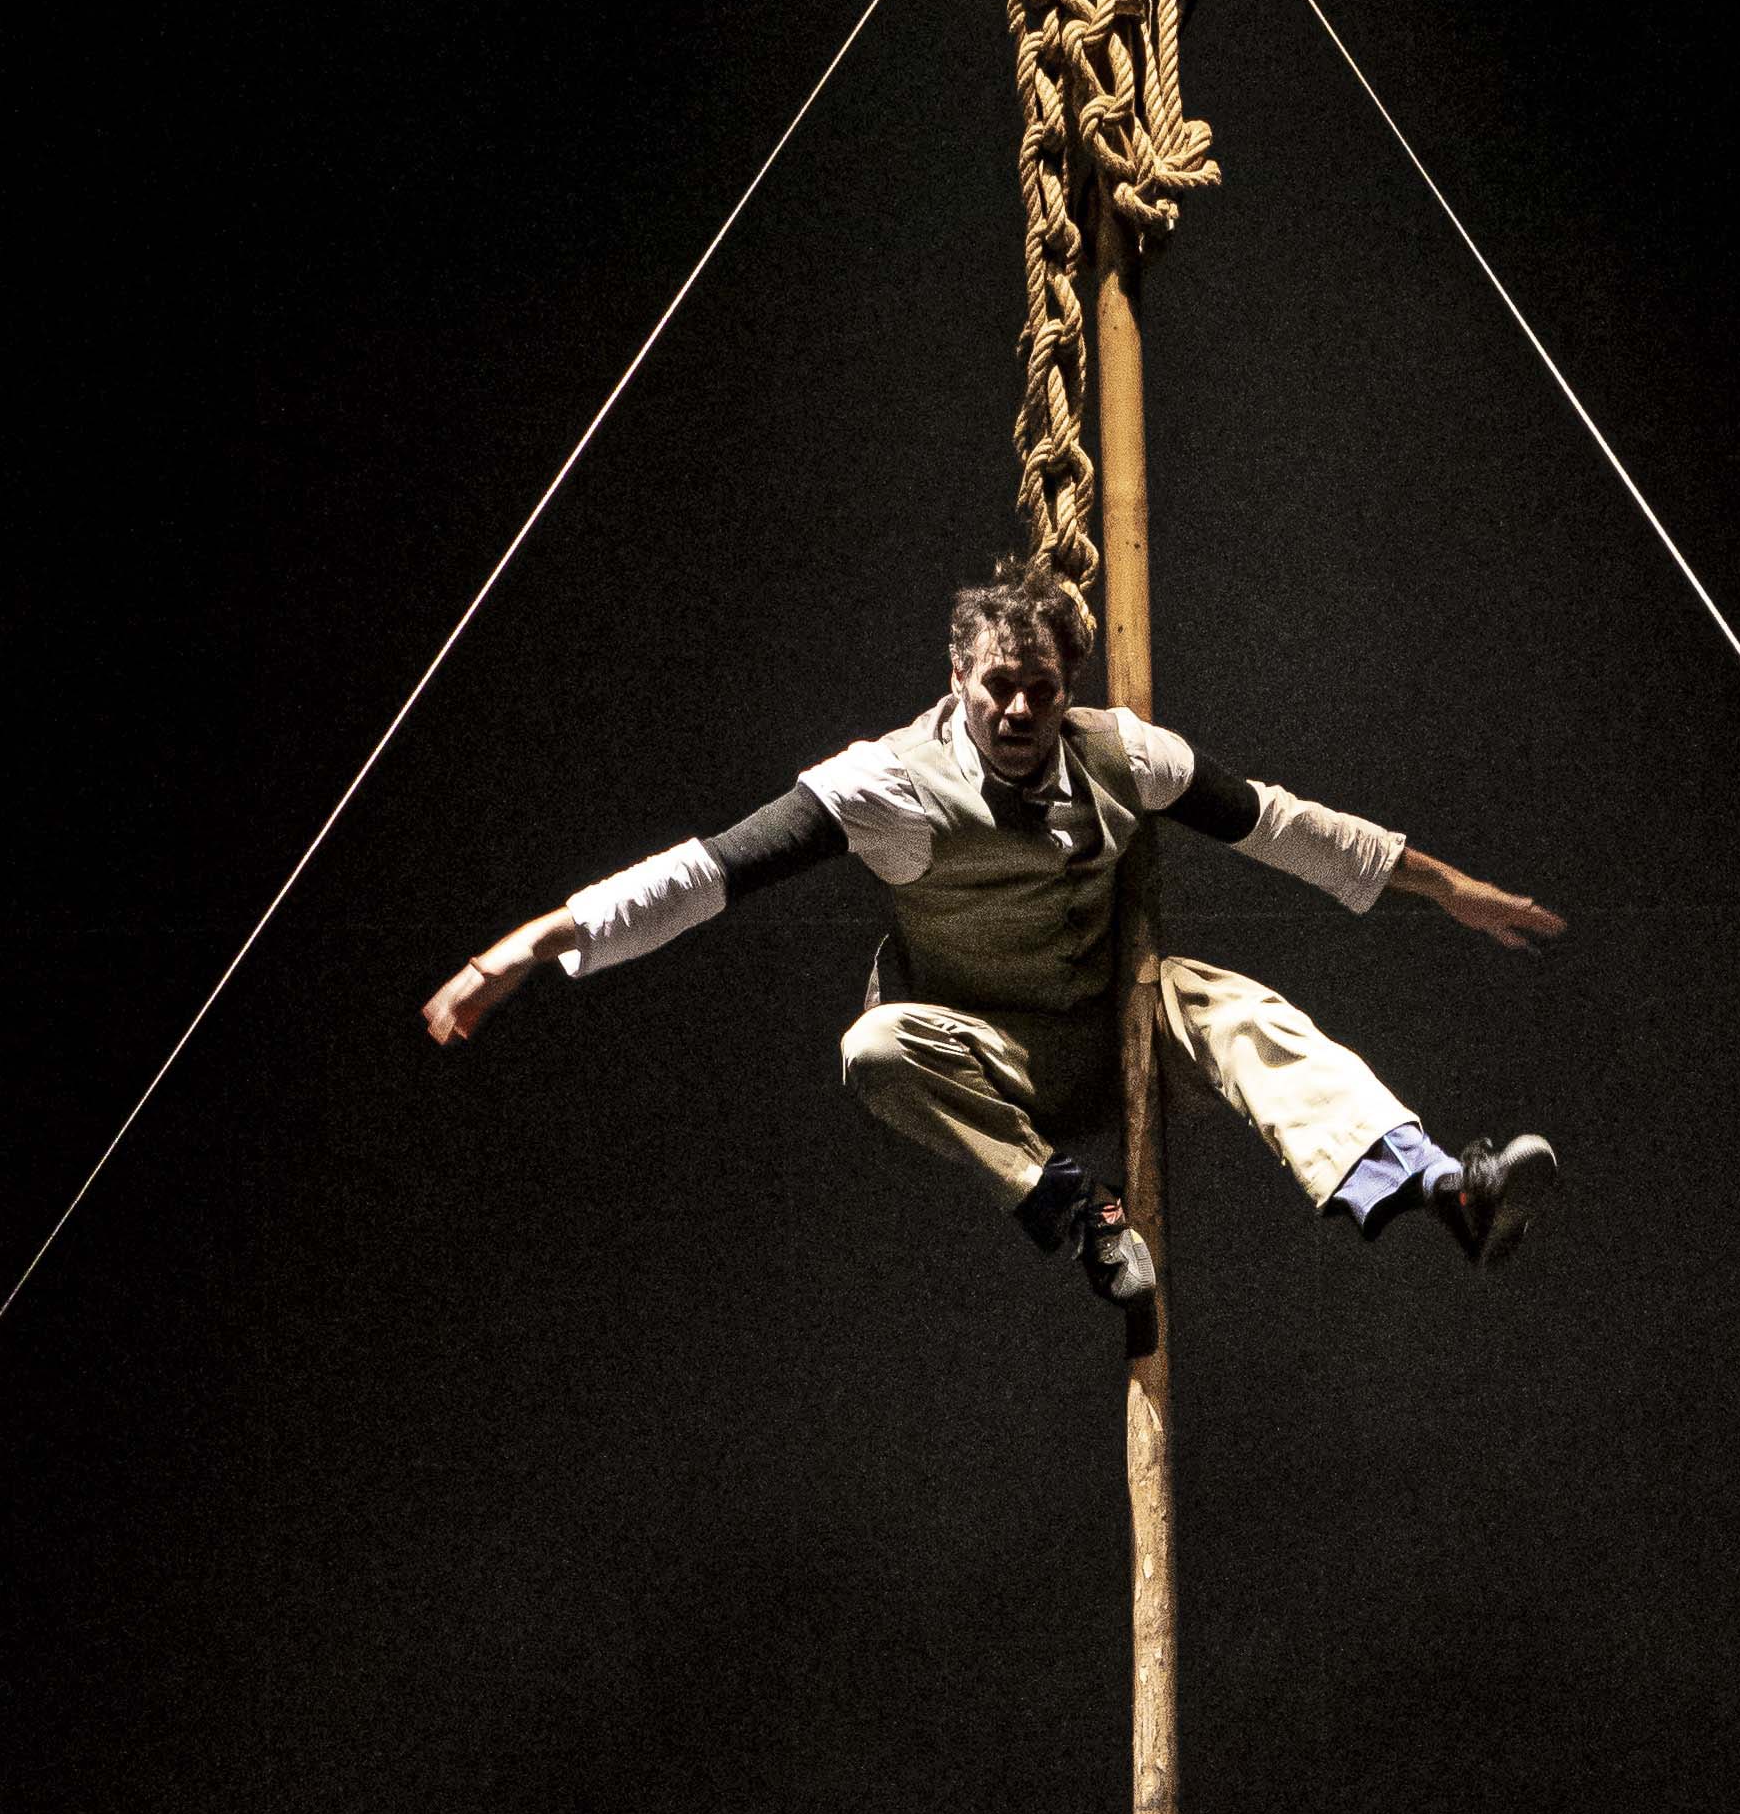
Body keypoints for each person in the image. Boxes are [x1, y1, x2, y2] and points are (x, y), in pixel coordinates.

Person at [422, 555, 1564, 1306]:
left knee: (1231, 1003)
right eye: (997, 688)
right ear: (958, 678)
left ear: (1069, 685)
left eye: (1041, 690)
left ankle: (1436, 1187)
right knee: (872, 1048)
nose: (1019, 711)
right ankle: (1078, 1213)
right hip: (993, 1058)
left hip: (1114, 1027)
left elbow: (1286, 827)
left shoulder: (1126, 752)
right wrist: (525, 947)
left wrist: (1449, 888)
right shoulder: (886, 786)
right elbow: (707, 872)